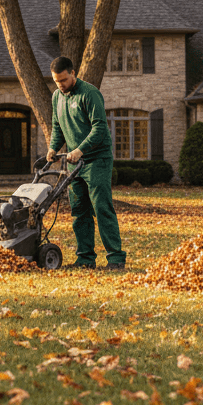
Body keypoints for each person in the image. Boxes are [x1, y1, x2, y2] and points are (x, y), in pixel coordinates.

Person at [46, 56, 126, 271]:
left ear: (73, 73)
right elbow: (57, 125)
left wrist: (80, 150)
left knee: (101, 207)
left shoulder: (90, 94)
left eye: (63, 80)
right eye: (56, 81)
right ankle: (85, 258)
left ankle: (116, 258)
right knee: (79, 210)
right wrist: (54, 147)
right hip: (74, 163)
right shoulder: (57, 97)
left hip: (96, 159)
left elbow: (100, 128)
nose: (60, 85)